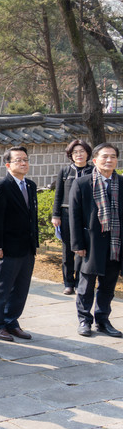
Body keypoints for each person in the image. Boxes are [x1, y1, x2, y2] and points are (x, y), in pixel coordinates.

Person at [69, 143, 123, 338]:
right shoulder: (82, 183)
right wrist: (77, 245)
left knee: (108, 286)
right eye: (105, 157)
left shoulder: (121, 183)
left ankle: (102, 320)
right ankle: (84, 319)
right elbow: (74, 217)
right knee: (85, 285)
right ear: (95, 160)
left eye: (113, 157)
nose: (109, 160)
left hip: (115, 244)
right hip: (90, 244)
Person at [0, 147, 38, 342]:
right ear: (8, 164)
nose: (23, 163)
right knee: (3, 287)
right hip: (7, 247)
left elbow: (31, 217)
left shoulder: (31, 185)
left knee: (21, 288)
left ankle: (12, 321)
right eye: (18, 160)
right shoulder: (1, 186)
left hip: (27, 247)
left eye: (25, 159)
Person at [52, 140, 93, 295]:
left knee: (84, 249)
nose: (79, 154)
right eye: (75, 152)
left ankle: (80, 282)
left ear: (88, 153)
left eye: (82, 151)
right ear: (71, 155)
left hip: (86, 215)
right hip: (67, 214)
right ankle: (68, 282)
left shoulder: (93, 171)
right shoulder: (65, 171)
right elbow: (58, 195)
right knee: (68, 250)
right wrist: (56, 215)